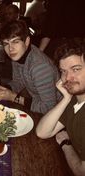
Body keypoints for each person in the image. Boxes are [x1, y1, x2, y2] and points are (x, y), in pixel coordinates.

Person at [36, 38, 85, 175]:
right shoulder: (74, 99)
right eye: (63, 71)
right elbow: (42, 132)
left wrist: (66, 144)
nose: (68, 77)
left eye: (76, 69)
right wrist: (66, 98)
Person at [0, 20, 61, 114]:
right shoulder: (19, 55)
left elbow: (49, 108)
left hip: (57, 113)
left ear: (27, 41)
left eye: (15, 42)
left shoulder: (40, 67)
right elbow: (19, 82)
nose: (10, 49)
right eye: (6, 43)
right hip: (36, 103)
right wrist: (3, 89)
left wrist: (13, 97)